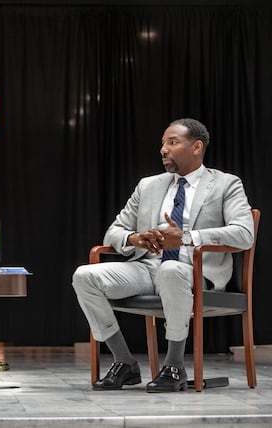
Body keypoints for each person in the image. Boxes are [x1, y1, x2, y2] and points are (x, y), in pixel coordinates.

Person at [72, 118, 254, 393]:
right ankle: (124, 362)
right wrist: (134, 238)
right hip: (147, 267)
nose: (163, 150)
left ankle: (174, 365)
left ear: (196, 147)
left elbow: (243, 233)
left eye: (172, 142)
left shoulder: (225, 184)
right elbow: (114, 231)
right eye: (162, 144)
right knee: (84, 276)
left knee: (172, 270)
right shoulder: (149, 185)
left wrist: (186, 237)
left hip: (195, 271)